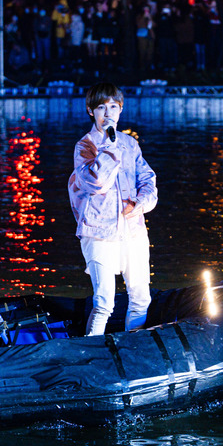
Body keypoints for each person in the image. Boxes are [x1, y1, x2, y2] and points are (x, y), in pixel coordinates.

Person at [68, 82, 158, 336]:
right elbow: (97, 182)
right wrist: (109, 145)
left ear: (121, 109)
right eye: (101, 108)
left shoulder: (130, 144)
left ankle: (133, 348)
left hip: (133, 230)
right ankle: (91, 352)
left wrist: (139, 204)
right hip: (99, 232)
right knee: (104, 303)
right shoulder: (85, 146)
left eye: (113, 107)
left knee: (140, 297)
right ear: (90, 111)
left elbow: (147, 179)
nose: (108, 113)